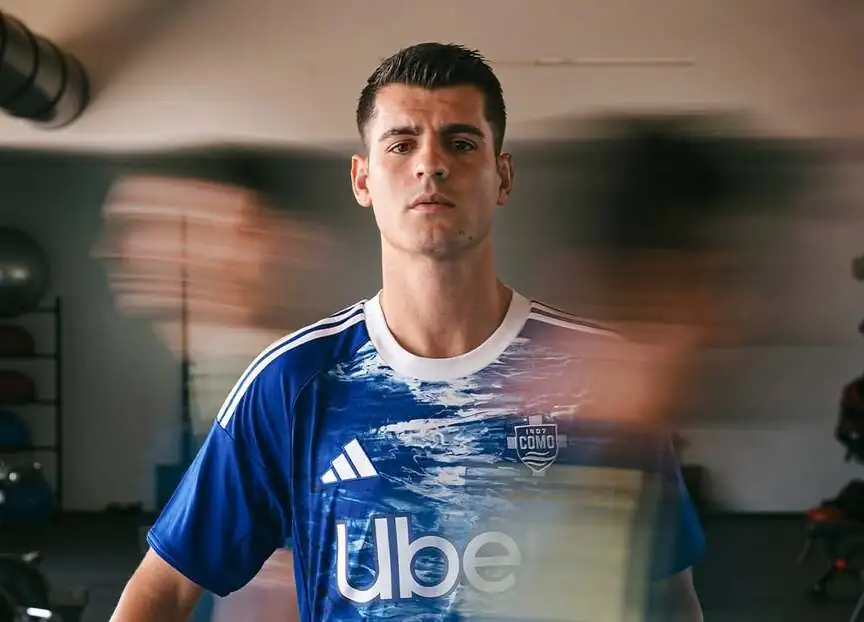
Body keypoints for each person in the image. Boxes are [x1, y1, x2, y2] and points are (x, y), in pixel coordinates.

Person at [110, 42, 705, 621]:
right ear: (362, 179)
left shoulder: (600, 376)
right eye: (401, 144)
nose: (431, 164)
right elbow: (161, 589)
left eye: (461, 143)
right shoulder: (293, 382)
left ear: (503, 177)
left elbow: (670, 599)